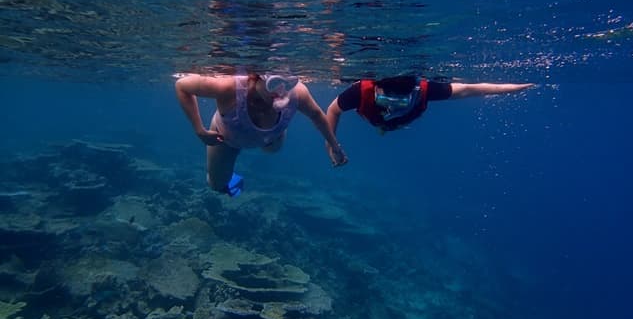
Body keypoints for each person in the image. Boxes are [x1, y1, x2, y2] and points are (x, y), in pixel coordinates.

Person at [176, 73, 347, 196]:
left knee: (273, 149)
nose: (281, 92)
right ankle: (232, 184)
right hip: (227, 138)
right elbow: (182, 86)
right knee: (216, 184)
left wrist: (334, 145)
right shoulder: (229, 87)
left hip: (270, 139)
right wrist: (199, 129)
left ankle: (270, 135)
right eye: (274, 84)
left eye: (288, 85)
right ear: (255, 77)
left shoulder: (298, 93)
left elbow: (317, 115)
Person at [325, 75, 534, 161]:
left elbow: (468, 89)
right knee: (382, 124)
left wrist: (510, 89)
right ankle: (384, 127)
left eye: (400, 99)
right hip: (375, 118)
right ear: (377, 85)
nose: (392, 104)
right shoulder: (359, 91)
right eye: (387, 97)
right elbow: (332, 111)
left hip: (399, 119)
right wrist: (332, 146)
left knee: (391, 124)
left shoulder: (424, 90)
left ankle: (388, 127)